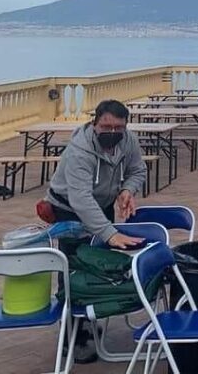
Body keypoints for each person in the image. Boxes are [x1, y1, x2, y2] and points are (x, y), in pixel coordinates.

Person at [44, 99, 146, 363]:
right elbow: (80, 199)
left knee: (98, 266)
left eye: (118, 127)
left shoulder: (129, 141)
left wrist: (127, 190)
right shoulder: (79, 151)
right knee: (73, 269)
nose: (112, 132)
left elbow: (138, 170)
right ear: (94, 123)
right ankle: (72, 335)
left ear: (126, 126)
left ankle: (90, 318)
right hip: (68, 209)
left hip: (102, 204)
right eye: (106, 127)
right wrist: (110, 233)